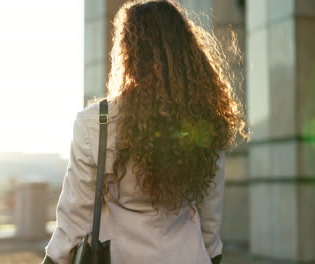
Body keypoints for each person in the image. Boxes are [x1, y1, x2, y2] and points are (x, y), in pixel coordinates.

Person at [43, 0, 247, 263]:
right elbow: (210, 217)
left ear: (128, 51)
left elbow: (74, 217)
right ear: (185, 50)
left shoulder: (98, 123)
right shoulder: (204, 119)